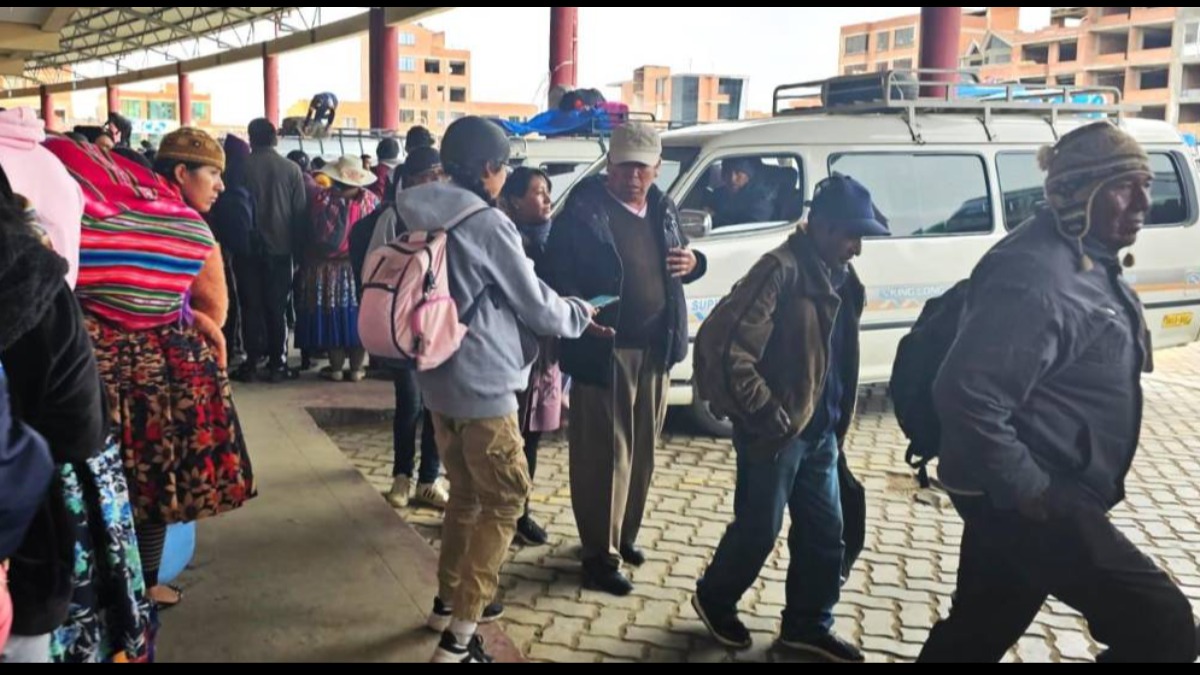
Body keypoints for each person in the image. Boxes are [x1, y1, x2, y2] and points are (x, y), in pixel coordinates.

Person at [919, 121, 1198, 664]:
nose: (1144, 200)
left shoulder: (1086, 255)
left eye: (1146, 182)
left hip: (1018, 491)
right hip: (1034, 494)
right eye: (1123, 186)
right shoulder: (1035, 273)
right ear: (1078, 193)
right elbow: (965, 394)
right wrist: (1033, 491)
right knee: (1164, 628)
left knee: (978, 629)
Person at [396, 117, 598, 663]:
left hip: (434, 378)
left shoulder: (408, 206)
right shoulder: (486, 223)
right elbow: (536, 306)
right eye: (504, 167)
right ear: (489, 168)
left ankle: (445, 603)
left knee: (464, 495)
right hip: (483, 382)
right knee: (505, 500)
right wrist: (579, 313)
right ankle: (460, 637)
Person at [692, 175, 888, 663]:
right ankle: (715, 598)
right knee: (759, 530)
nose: (857, 247)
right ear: (819, 227)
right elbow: (727, 349)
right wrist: (767, 414)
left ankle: (807, 625)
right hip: (776, 435)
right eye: (850, 235)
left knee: (826, 534)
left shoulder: (843, 277)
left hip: (819, 435)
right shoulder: (777, 271)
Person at [547, 123, 707, 596]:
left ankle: (626, 535)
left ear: (657, 169)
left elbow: (682, 264)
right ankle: (599, 553)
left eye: (643, 166)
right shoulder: (582, 211)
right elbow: (554, 276)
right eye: (625, 166)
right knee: (603, 456)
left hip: (656, 348)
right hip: (605, 348)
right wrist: (578, 312)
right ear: (609, 166)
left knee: (641, 451)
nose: (634, 176)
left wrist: (697, 264)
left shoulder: (663, 207)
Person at [499, 166, 559, 547]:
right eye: (538, 192)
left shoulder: (557, 240)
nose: (547, 199)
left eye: (548, 191)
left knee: (532, 433)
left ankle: (521, 511)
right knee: (509, 436)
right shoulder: (507, 242)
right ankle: (501, 512)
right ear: (514, 201)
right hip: (512, 353)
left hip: (545, 352)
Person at [238, 118, 309, 382]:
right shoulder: (291, 170)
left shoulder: (239, 167)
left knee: (250, 306)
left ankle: (251, 361)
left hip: (246, 250)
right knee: (277, 307)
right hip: (281, 250)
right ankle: (277, 363)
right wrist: (300, 254)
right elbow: (300, 215)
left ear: (250, 138)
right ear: (275, 138)